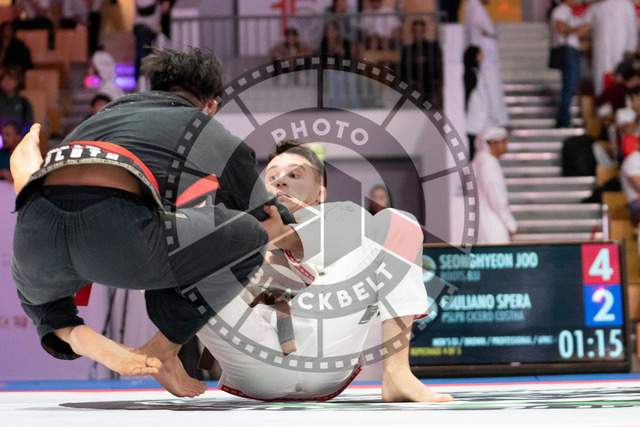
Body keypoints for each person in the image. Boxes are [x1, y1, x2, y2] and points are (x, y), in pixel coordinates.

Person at [9, 47, 294, 395]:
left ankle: (73, 333)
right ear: (210, 106)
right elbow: (268, 213)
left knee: (45, 307)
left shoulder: (106, 114)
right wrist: (280, 226)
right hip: (114, 231)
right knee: (250, 235)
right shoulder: (204, 126)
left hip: (33, 228)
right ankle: (164, 349)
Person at [144, 140, 454, 402]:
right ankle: (164, 352)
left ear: (320, 193)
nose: (280, 181)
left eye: (294, 174)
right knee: (180, 238)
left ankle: (397, 373)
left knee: (398, 222)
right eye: (272, 176)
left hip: (328, 352)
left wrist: (279, 236)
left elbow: (348, 233)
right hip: (256, 357)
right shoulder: (235, 228)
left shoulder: (344, 214)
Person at [463, 0, 509, 129]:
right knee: (492, 88)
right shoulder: (477, 8)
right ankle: (498, 119)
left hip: (482, 55)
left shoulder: (470, 6)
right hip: (486, 56)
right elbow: (491, 29)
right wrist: (494, 30)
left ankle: (496, 118)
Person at [472, 126, 517, 243]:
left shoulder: (480, 160)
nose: (506, 145)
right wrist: (510, 223)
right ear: (493, 144)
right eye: (503, 141)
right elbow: (496, 198)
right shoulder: (488, 163)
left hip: (485, 222)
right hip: (493, 225)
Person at [583, 0, 638, 96]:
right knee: (600, 87)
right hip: (601, 55)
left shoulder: (625, 4)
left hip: (621, 53)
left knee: (619, 85)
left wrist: (630, 49)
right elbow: (583, 24)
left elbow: (632, 29)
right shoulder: (595, 7)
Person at [550, 0, 588, 128]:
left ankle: (564, 118)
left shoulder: (568, 12)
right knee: (569, 86)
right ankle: (563, 120)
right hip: (567, 51)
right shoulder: (561, 10)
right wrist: (577, 29)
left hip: (572, 51)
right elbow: (561, 28)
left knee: (572, 86)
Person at [464, 45, 501, 160]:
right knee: (475, 150)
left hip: (481, 117)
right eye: (479, 54)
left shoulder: (478, 73)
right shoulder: (471, 74)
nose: (482, 56)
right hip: (474, 118)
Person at [399, 19, 443, 107]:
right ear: (412, 31)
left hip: (430, 80)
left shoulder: (433, 46)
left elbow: (437, 64)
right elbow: (403, 67)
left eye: (420, 31)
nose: (418, 34)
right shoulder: (407, 49)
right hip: (414, 80)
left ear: (424, 31)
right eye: (416, 31)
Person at [133, 0, 171, 86]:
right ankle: (140, 85)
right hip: (144, 28)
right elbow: (145, 8)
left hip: (149, 28)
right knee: (143, 59)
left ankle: (145, 84)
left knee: (147, 59)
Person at [0, 68, 33, 134]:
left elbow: (29, 123)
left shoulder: (24, 102)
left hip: (19, 136)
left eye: (10, 79)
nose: (7, 82)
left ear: (16, 82)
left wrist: (16, 135)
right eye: (4, 79)